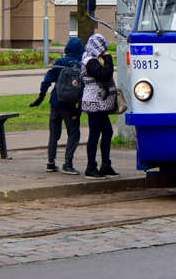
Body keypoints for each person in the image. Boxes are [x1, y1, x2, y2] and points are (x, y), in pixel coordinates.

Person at [29, 37, 83, 175]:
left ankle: (50, 162)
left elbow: (47, 79)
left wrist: (41, 96)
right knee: (74, 133)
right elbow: (84, 88)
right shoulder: (81, 65)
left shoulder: (60, 62)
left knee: (54, 134)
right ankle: (68, 164)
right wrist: (80, 109)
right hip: (70, 105)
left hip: (55, 102)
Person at [81, 34, 119, 179]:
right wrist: (108, 58)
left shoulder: (93, 59)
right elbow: (105, 75)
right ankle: (91, 167)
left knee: (107, 132)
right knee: (95, 135)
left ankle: (105, 165)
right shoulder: (90, 61)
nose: (105, 51)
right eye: (103, 48)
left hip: (100, 103)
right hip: (94, 103)